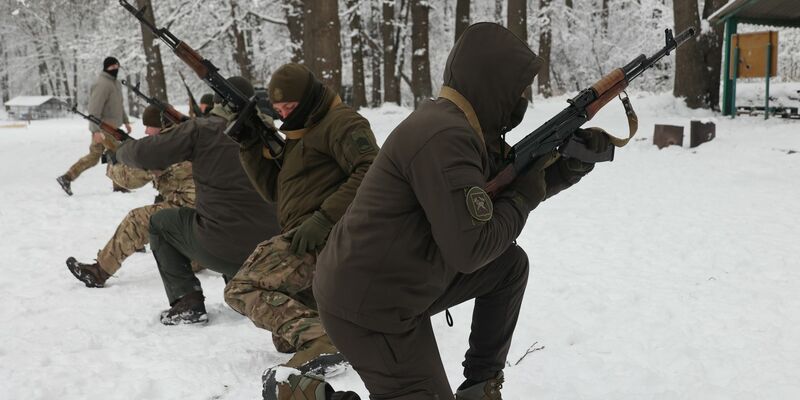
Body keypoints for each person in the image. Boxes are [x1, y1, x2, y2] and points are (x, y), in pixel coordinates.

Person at [266, 23, 613, 399]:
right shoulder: (444, 137)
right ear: (490, 84)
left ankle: (481, 387)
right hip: (367, 304)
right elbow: (471, 249)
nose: (522, 98)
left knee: (508, 267)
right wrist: (524, 197)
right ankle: (301, 394)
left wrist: (569, 167)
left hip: (403, 279)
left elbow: (494, 200)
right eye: (517, 89)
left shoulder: (462, 130)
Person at [223, 63, 378, 376]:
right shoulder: (302, 128)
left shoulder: (341, 122)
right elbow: (273, 189)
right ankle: (332, 335)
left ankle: (323, 339)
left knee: (239, 289)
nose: (284, 114)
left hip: (328, 236)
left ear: (308, 98)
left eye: (290, 107)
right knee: (285, 339)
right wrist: (250, 144)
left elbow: (371, 172)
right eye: (278, 108)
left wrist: (323, 220)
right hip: (307, 233)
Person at [114, 77, 280, 325]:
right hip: (272, 251)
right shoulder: (272, 134)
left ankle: (187, 302)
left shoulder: (204, 130)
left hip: (222, 248)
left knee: (160, 223)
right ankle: (238, 283)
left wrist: (120, 149)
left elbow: (142, 154)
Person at [65, 105, 196, 288]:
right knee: (161, 205)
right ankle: (194, 260)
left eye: (149, 126)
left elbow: (128, 180)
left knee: (137, 220)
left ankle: (99, 272)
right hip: (210, 219)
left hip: (194, 219)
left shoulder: (164, 148)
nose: (146, 131)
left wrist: (113, 159)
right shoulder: (188, 137)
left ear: (162, 125)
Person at [57, 56, 132, 196]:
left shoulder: (115, 83)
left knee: (94, 157)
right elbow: (94, 109)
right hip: (103, 129)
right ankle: (119, 186)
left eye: (117, 67)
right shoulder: (102, 84)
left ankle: (67, 177)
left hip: (114, 128)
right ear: (106, 67)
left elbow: (119, 106)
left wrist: (126, 121)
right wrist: (95, 130)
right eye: (112, 67)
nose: (115, 69)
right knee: (117, 154)